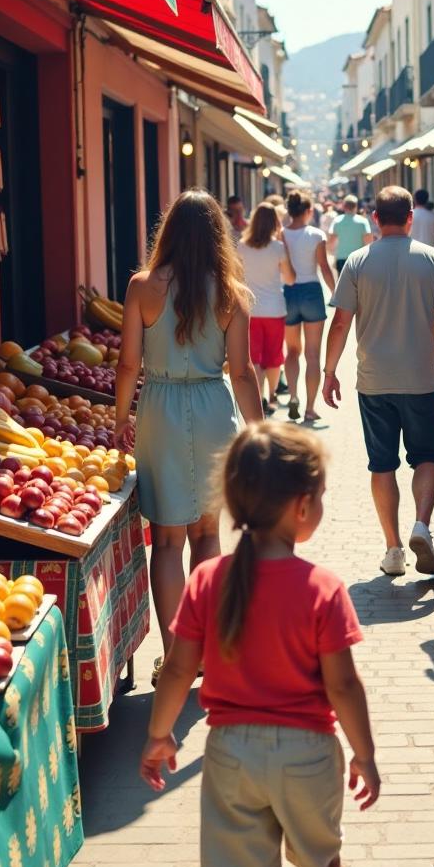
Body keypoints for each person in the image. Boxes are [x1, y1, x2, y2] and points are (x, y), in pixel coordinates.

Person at [139, 424, 379, 867]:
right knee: (320, 863)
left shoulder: (207, 580)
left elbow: (177, 669)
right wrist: (365, 753)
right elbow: (344, 688)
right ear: (302, 508)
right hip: (307, 752)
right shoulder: (322, 588)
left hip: (230, 754)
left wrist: (159, 736)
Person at [114, 191, 263, 676]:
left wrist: (120, 417)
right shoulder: (232, 294)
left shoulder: (142, 287)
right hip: (214, 408)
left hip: (159, 410)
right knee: (207, 535)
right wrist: (259, 430)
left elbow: (128, 364)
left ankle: (177, 655)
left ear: (170, 232)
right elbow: (241, 372)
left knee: (168, 541)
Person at [323, 183, 434, 578]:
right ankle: (422, 525)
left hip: (373, 380)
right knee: (427, 458)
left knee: (382, 465)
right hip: (421, 378)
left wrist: (329, 371)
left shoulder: (358, 262)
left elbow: (341, 323)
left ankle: (394, 549)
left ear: (376, 220)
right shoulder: (431, 259)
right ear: (412, 218)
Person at [281, 192, 335, 425]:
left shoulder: (280, 235)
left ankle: (293, 397)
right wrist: (335, 292)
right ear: (308, 211)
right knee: (313, 355)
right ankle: (310, 409)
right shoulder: (316, 235)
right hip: (312, 292)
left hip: (289, 292)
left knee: (292, 351)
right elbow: (324, 267)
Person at [241, 200, 296, 412]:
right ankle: (271, 396)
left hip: (250, 310)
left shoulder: (242, 247)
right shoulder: (278, 248)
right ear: (274, 222)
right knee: (273, 357)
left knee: (254, 357)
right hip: (274, 310)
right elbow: (290, 279)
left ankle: (259, 396)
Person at [331, 194, 373, 272]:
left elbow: (331, 244)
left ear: (344, 206)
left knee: (343, 284)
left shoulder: (337, 221)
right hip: (359, 258)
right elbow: (369, 242)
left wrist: (334, 256)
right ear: (356, 206)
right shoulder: (363, 221)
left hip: (341, 258)